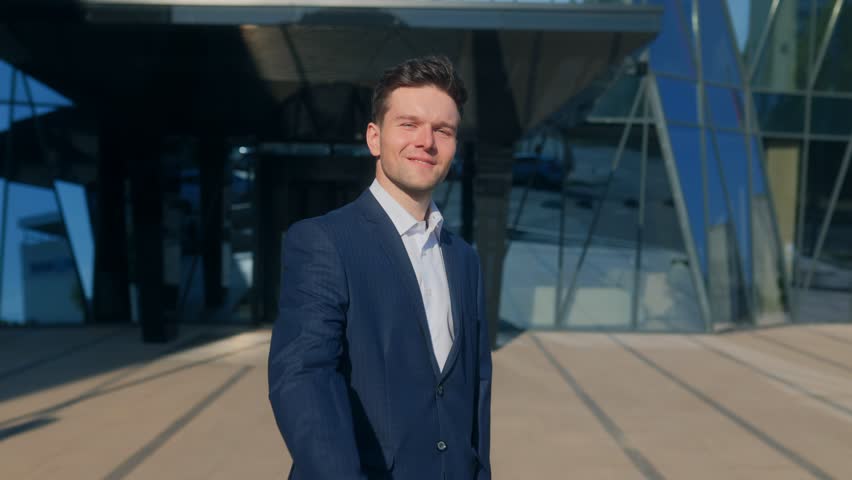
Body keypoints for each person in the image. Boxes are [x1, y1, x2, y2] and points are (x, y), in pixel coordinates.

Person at [268, 55, 492, 480]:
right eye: (408, 124)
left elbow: (475, 390)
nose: (426, 141)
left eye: (442, 130)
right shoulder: (324, 241)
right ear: (375, 137)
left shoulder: (465, 259)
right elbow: (304, 378)